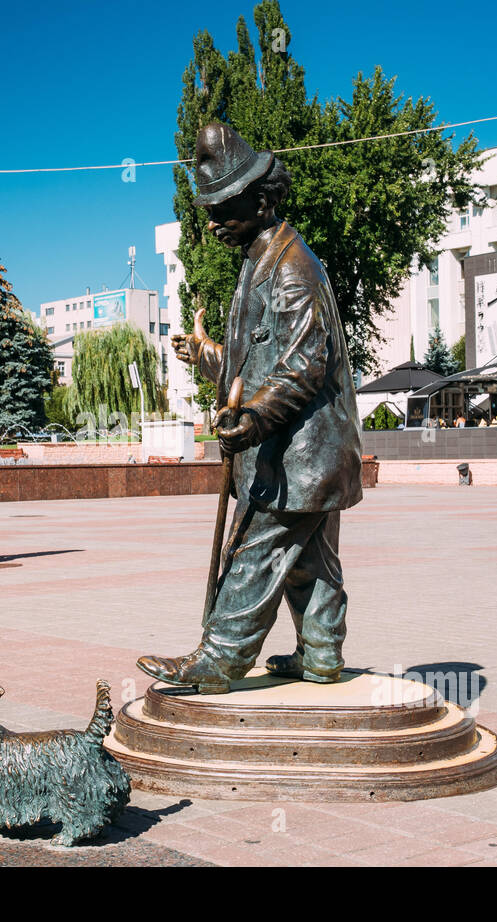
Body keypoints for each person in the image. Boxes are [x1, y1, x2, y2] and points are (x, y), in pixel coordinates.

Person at [137, 122, 363, 694]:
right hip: (303, 455)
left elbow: (305, 363)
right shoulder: (262, 257)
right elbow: (257, 365)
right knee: (310, 559)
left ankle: (218, 660)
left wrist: (255, 418)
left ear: (261, 202)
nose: (213, 222)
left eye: (225, 208)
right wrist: (209, 354)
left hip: (301, 454)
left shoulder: (292, 266)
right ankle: (321, 654)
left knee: (254, 550)